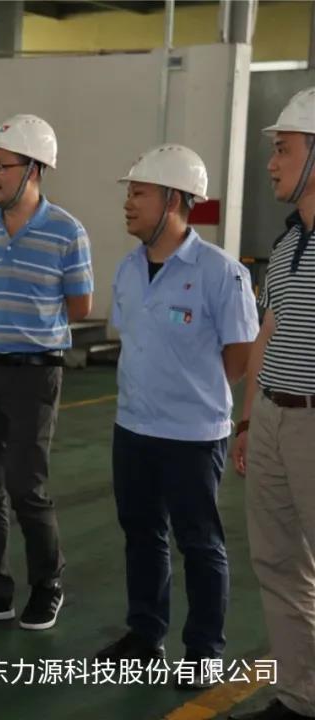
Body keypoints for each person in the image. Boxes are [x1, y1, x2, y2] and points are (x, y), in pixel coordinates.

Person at [96, 144, 258, 692]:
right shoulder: (128, 268)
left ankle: (204, 652)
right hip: (133, 429)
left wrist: (196, 397)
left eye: (138, 193)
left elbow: (239, 356)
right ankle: (145, 637)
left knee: (200, 544)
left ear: (172, 200)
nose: (128, 203)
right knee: (142, 535)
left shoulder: (220, 273)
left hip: (192, 436)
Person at [0, 114, 92, 632]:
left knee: (26, 484)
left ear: (33, 169)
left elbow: (80, 305)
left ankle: (48, 585)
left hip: (34, 374)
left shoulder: (66, 232)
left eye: (0, 166)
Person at [229, 87, 315, 720]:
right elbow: (269, 331)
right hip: (273, 421)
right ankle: (299, 698)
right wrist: (248, 419)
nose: (271, 163)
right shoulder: (286, 246)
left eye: (283, 149)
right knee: (279, 562)